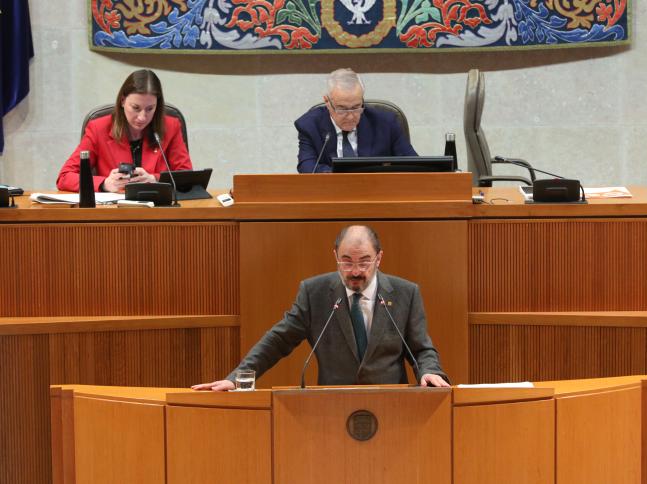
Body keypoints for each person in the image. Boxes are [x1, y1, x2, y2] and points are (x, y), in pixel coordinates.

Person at [192, 225, 450, 391]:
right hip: (329, 407)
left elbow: (421, 348)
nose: (356, 272)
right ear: (335, 256)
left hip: (393, 405)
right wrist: (237, 378)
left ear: (379, 258)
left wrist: (429, 372)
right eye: (347, 262)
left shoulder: (405, 293)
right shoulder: (315, 293)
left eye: (364, 262)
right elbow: (278, 340)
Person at [56, 69, 192, 193]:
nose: (142, 117)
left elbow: (187, 177)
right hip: (114, 213)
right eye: (136, 107)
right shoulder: (98, 128)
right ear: (122, 101)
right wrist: (104, 184)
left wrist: (155, 179)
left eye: (150, 109)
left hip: (159, 212)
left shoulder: (171, 126)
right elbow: (64, 177)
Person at [294, 68, 417, 173]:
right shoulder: (309, 125)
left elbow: (414, 165)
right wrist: (346, 179)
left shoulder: (387, 122)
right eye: (342, 109)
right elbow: (307, 166)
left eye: (356, 107)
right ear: (327, 102)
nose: (351, 116)